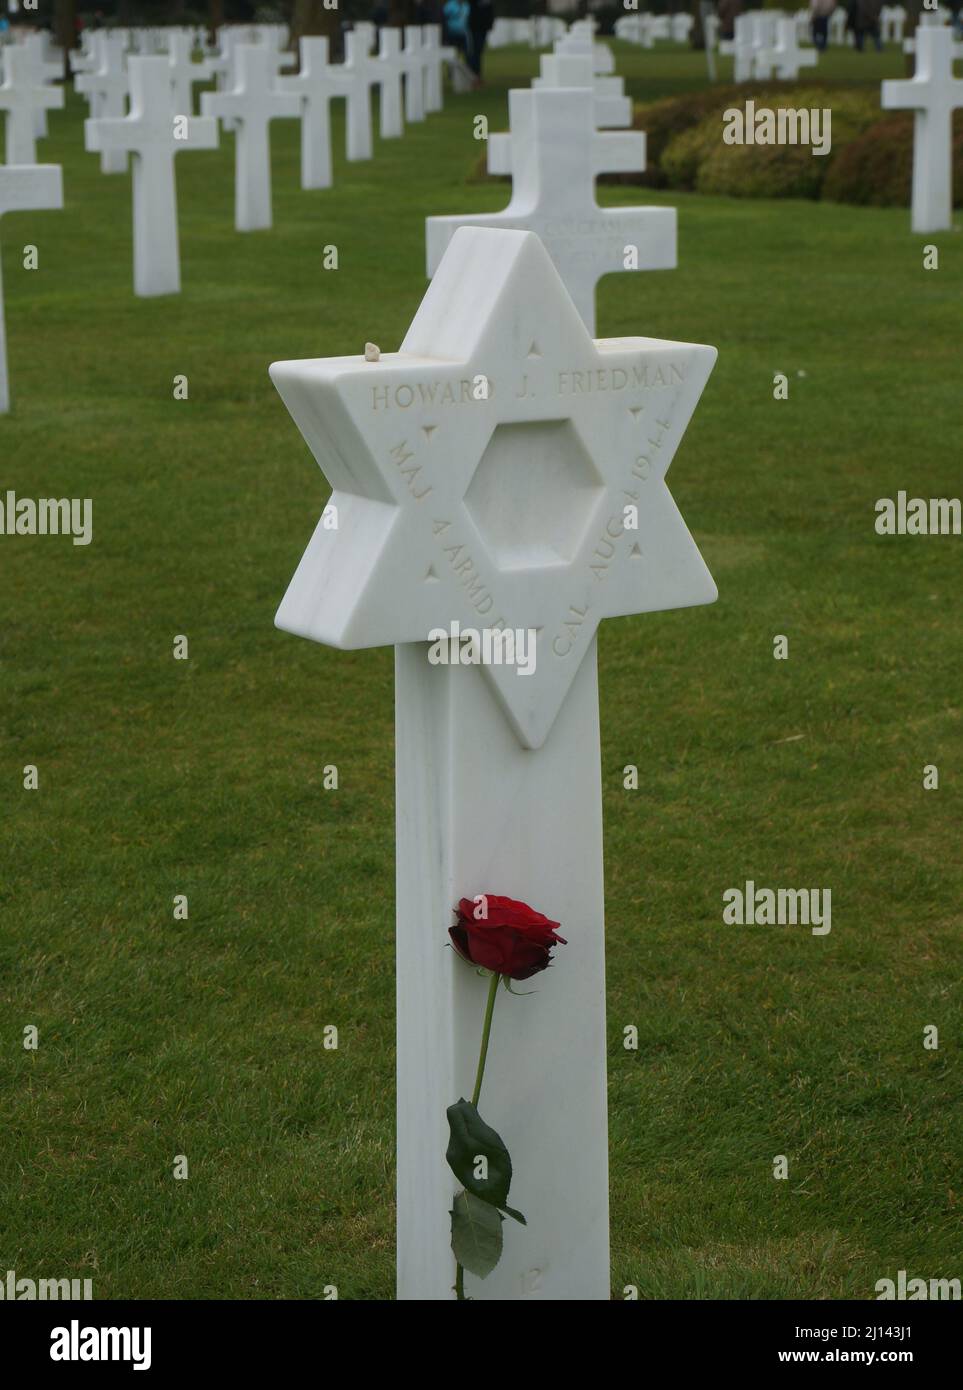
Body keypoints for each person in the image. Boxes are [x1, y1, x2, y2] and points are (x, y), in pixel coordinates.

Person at [466, 0, 495, 83]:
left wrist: (490, 24)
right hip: (473, 28)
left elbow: (490, 11)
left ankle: (477, 75)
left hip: (483, 28)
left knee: (478, 52)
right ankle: (473, 75)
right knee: (474, 52)